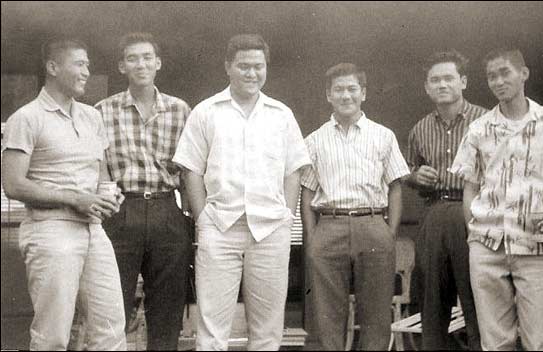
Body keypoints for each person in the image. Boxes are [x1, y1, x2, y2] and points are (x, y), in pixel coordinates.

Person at [173, 33, 310, 351]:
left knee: (267, 329)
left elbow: (294, 170)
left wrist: (287, 216)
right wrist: (203, 217)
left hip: (271, 228)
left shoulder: (281, 114)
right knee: (212, 328)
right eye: (244, 66)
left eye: (258, 66)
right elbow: (191, 169)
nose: (252, 73)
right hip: (219, 227)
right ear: (228, 67)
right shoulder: (207, 112)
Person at [450, 48, 543, 350]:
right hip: (487, 247)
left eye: (505, 72)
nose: (499, 81)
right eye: (492, 76)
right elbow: (470, 187)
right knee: (496, 341)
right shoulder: (479, 129)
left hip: (536, 244)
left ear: (523, 73)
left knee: (540, 340)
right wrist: (474, 234)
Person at [1, 38, 126, 350]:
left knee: (111, 330)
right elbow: (13, 184)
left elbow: (101, 174)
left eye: (87, 65)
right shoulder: (26, 118)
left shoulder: (91, 117)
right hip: (50, 231)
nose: (86, 72)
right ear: (53, 67)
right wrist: (75, 198)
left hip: (94, 231)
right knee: (53, 335)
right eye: (79, 64)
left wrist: (109, 195)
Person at [300, 63, 410, 350]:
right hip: (329, 226)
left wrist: (389, 232)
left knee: (375, 315)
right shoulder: (314, 139)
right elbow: (307, 191)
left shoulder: (383, 136)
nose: (345, 95)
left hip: (373, 224)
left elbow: (395, 186)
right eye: (339, 89)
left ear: (364, 93)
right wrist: (313, 238)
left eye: (352, 89)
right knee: (326, 316)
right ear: (328, 95)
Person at [95, 32, 192, 350]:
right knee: (113, 307)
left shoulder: (180, 111)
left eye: (148, 57)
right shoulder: (103, 111)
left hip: (166, 209)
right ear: (122, 66)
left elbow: (189, 169)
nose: (141, 64)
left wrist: (188, 215)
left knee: (166, 312)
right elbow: (99, 166)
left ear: (158, 63)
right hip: (121, 210)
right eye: (133, 58)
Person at [406, 50, 484, 350]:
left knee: (477, 295)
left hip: (474, 212)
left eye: (448, 78)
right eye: (435, 80)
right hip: (435, 212)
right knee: (432, 300)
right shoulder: (420, 129)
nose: (442, 85)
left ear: (463, 81)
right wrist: (416, 176)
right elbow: (408, 173)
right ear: (427, 87)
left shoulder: (485, 120)